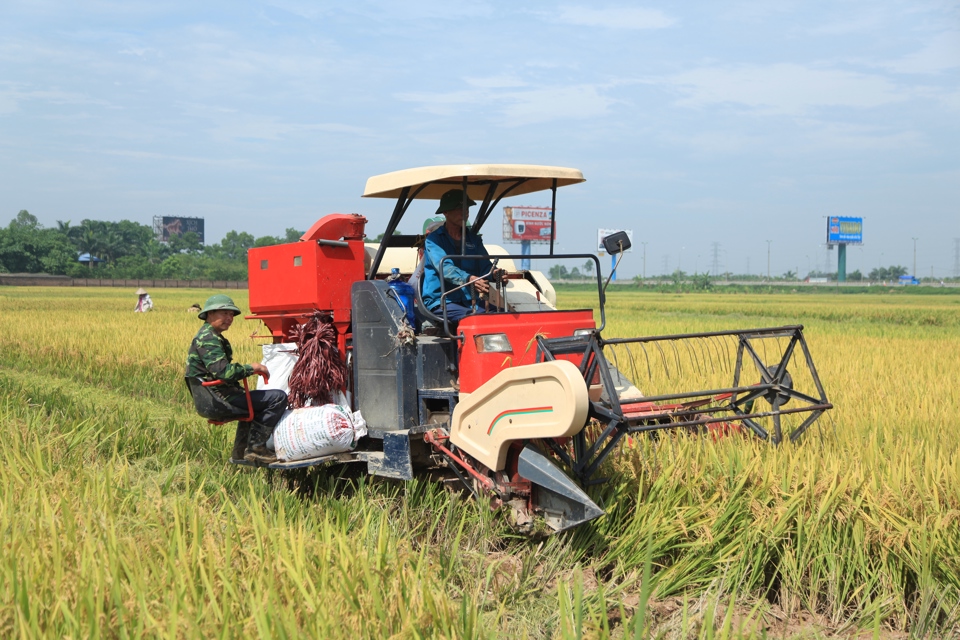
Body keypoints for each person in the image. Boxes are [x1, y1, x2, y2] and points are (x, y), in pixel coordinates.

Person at [185, 294, 287, 464]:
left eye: (231, 314)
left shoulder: (209, 335)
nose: (229, 318)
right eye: (224, 313)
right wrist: (252, 368)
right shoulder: (209, 339)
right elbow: (223, 372)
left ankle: (240, 451)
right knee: (277, 398)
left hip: (214, 397)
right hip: (220, 398)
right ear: (210, 314)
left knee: (254, 403)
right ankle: (256, 449)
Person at [422, 189, 499, 324]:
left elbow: (485, 266)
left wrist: (494, 274)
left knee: (503, 316)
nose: (465, 212)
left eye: (467, 208)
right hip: (442, 301)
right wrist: (469, 279)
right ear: (445, 212)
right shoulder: (433, 240)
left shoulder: (474, 240)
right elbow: (445, 268)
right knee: (475, 319)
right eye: (459, 208)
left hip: (470, 301)